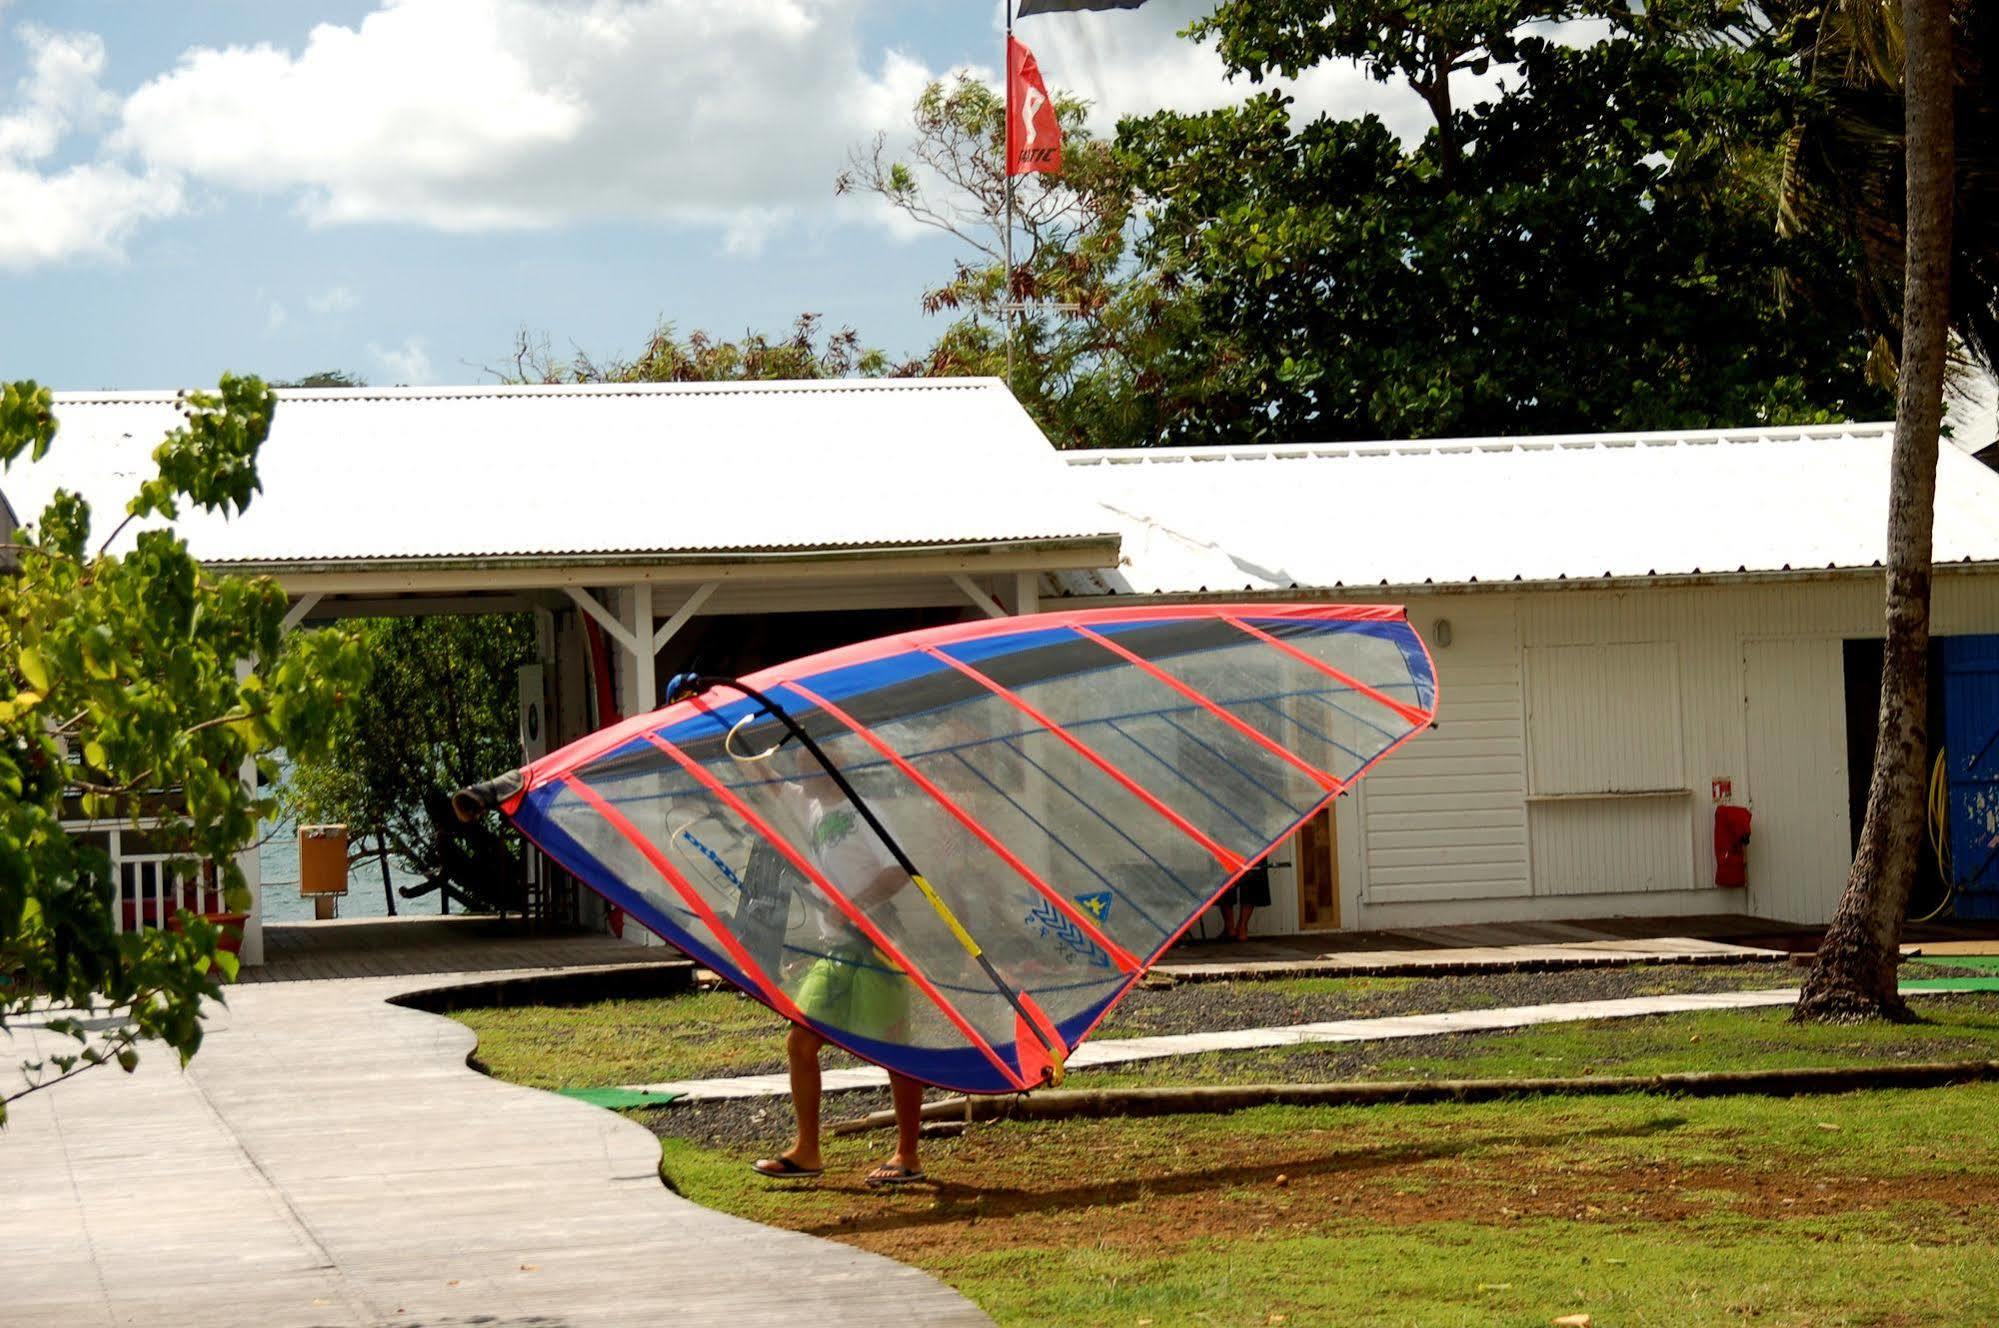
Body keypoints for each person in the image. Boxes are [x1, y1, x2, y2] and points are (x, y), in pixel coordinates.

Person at [752, 758, 928, 1187]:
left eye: (805, 767)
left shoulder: (861, 809)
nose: (799, 776)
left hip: (878, 945)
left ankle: (908, 1154)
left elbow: (899, 869)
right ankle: (807, 1151)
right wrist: (729, 735)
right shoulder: (812, 805)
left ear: (828, 768)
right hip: (837, 951)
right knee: (800, 1041)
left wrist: (855, 905)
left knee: (893, 1049)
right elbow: (771, 783)